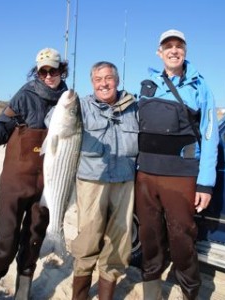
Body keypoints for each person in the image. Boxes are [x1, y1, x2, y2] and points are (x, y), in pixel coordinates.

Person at [135, 29, 219, 300]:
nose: (173, 50)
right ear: (159, 52)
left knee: (182, 237)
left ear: (185, 51)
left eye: (178, 46)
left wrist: (205, 183)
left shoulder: (200, 87)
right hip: (145, 177)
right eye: (167, 46)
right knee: (149, 236)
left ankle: (189, 292)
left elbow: (209, 136)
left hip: (181, 177)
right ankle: (152, 292)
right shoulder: (146, 85)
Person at [0, 47, 68, 299]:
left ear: (61, 70)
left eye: (53, 70)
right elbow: (1, 128)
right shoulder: (25, 96)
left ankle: (24, 288)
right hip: (16, 181)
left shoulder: (67, 101)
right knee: (6, 240)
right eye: (42, 70)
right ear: (37, 71)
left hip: (48, 185)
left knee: (35, 238)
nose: (48, 75)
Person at [71, 61, 139, 299]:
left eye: (108, 78)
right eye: (98, 79)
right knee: (88, 239)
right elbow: (54, 120)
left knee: (119, 242)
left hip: (125, 182)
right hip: (91, 182)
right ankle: (79, 295)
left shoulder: (134, 107)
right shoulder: (80, 106)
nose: (103, 83)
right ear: (92, 83)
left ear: (117, 80)